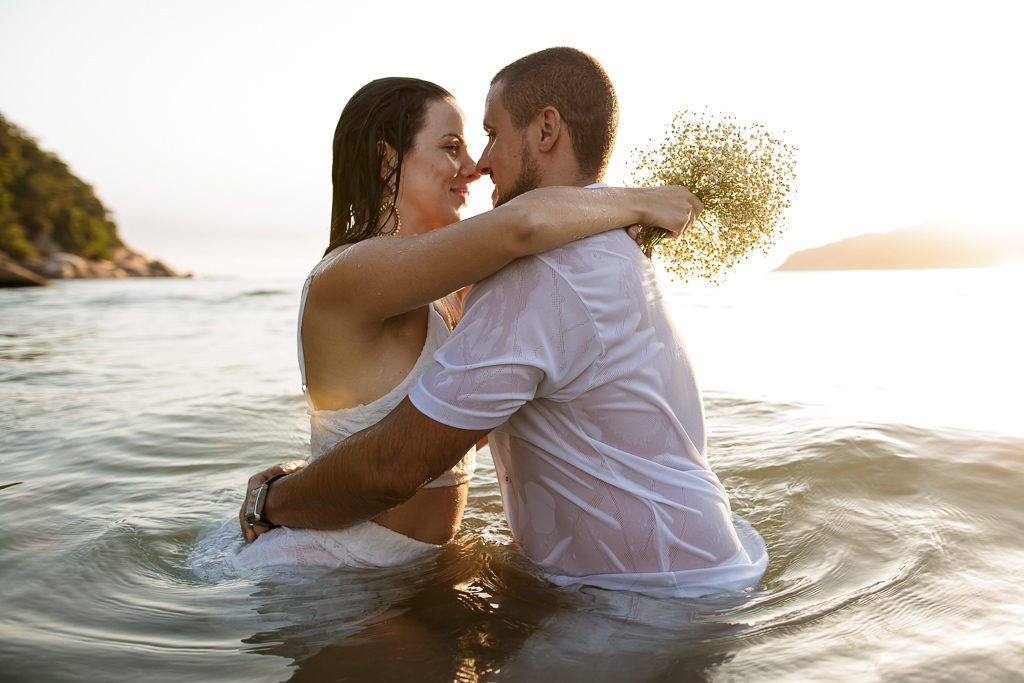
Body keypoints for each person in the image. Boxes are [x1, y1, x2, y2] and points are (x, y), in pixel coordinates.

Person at [240, 48, 767, 597]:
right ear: (386, 159)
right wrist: (636, 202)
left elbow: (455, 421)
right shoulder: (352, 271)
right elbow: (523, 225)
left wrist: (313, 472)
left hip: (408, 566)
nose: (474, 165)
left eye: (479, 140)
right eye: (451, 147)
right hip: (341, 562)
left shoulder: (458, 291)